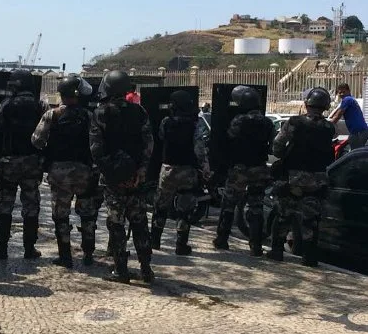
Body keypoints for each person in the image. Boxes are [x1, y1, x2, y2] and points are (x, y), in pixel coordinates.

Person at [90, 70, 154, 284]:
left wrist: (113, 175)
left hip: (113, 181)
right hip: (137, 179)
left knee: (116, 224)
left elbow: (96, 151)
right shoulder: (140, 112)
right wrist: (140, 172)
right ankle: (146, 270)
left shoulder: (100, 113)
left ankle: (121, 270)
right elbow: (148, 146)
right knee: (140, 223)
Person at [32, 75, 97, 267]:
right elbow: (96, 143)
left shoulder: (52, 115)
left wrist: (50, 150)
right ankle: (88, 254)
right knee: (87, 214)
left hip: (59, 172)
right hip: (84, 171)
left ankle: (65, 256)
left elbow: (36, 140)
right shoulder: (89, 115)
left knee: (60, 214)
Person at [268, 88, 335, 266]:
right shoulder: (329, 127)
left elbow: (278, 144)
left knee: (284, 214)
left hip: (293, 178)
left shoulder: (295, 122)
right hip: (317, 180)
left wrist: (282, 157)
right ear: (325, 107)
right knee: (311, 219)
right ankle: (310, 258)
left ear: (307, 104)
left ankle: (276, 252)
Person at [0, 69, 48, 260]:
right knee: (31, 205)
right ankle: (29, 249)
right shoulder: (40, 105)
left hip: (10, 162)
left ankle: (1, 248)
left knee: (5, 204)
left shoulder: (6, 104)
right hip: (32, 161)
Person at [213, 86, 274, 256]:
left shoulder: (239, 120)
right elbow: (272, 145)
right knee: (256, 206)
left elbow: (229, 137)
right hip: (259, 168)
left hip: (239, 168)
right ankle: (255, 246)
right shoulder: (267, 122)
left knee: (229, 203)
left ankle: (222, 239)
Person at [150, 90, 209, 255]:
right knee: (185, 210)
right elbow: (199, 149)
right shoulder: (194, 124)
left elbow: (161, 137)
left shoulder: (166, 122)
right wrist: (205, 168)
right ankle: (181, 245)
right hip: (188, 171)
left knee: (160, 206)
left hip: (168, 169)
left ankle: (154, 241)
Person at [329, 83, 368, 150]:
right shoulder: (351, 99)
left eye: (343, 92)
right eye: (339, 93)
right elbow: (336, 112)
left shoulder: (347, 100)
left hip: (358, 132)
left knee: (355, 154)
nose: (341, 94)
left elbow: (338, 115)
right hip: (361, 131)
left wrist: (328, 125)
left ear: (348, 91)